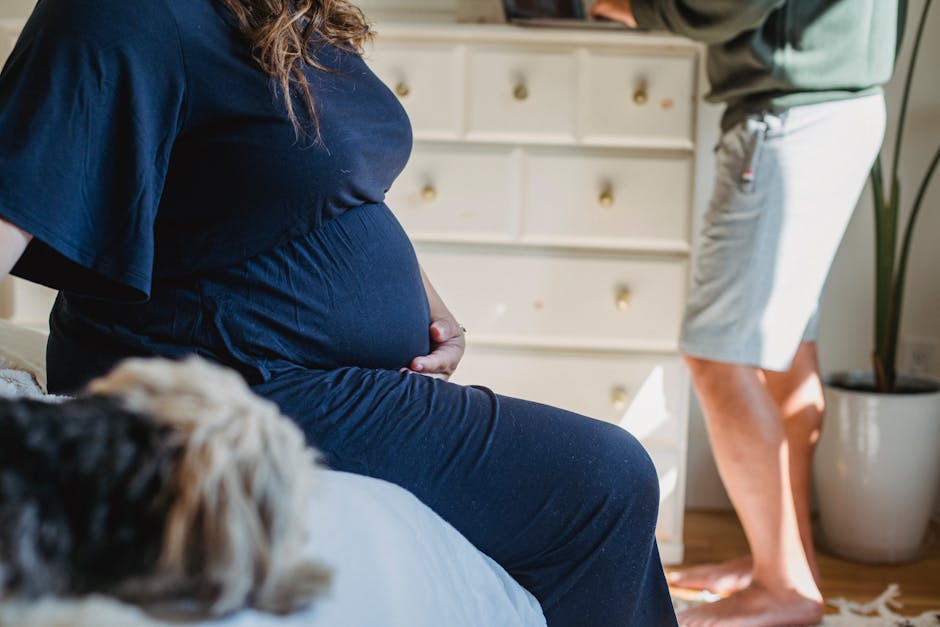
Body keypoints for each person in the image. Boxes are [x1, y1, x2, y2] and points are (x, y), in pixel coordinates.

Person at [0, 0, 678, 624]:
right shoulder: (120, 13)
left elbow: (323, 187)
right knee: (605, 480)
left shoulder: (279, 11)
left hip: (296, 362)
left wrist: (426, 296)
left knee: (599, 506)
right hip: (228, 371)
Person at [589, 0, 904, 625]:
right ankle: (786, 564)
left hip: (794, 113)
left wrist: (634, 8)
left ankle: (784, 587)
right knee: (784, 351)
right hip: (831, 107)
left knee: (718, 355)